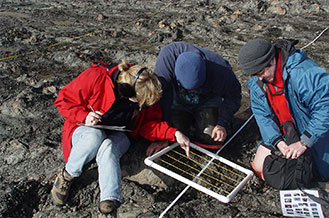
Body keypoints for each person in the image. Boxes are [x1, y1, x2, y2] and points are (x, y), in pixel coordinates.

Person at [51, 60, 190, 218]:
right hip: (85, 130)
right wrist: (85, 116)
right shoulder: (96, 77)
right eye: (141, 102)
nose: (144, 105)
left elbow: (149, 124)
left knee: (109, 146)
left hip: (119, 135)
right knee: (95, 136)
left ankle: (108, 207)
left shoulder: (144, 90)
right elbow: (63, 100)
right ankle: (67, 175)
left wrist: (174, 134)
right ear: (127, 91)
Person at [238, 38, 329, 181]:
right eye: (255, 74)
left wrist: (304, 142)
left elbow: (326, 111)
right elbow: (262, 117)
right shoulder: (258, 82)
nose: (260, 78)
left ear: (272, 59)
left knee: (310, 175)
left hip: (316, 133)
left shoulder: (305, 74)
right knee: (260, 168)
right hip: (287, 131)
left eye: (261, 72)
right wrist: (278, 142)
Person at [154, 42, 241, 149]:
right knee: (176, 135)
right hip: (176, 98)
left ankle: (203, 120)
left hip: (207, 100)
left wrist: (222, 123)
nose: (191, 91)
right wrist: (166, 134)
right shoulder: (167, 59)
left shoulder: (221, 71)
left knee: (212, 138)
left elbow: (234, 96)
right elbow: (162, 95)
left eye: (194, 88)